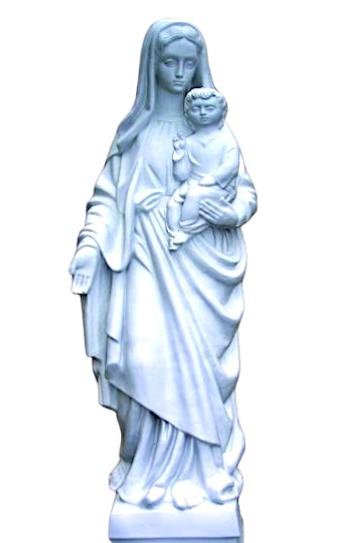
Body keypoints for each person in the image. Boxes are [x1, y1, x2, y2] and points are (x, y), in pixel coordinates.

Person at [69, 19, 257, 510]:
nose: (178, 72)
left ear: (200, 66)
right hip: (144, 261)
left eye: (188, 63)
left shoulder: (214, 130)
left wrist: (228, 212)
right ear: (151, 66)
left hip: (199, 267)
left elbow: (244, 192)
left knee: (195, 367)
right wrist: (90, 246)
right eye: (169, 62)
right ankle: (147, 466)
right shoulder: (134, 132)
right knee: (145, 360)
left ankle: (201, 470)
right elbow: (106, 199)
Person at [166, 87, 240, 249]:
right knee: (173, 203)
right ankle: (173, 233)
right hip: (192, 183)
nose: (203, 113)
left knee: (194, 196)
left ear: (221, 112)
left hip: (219, 187)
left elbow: (230, 166)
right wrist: (179, 153)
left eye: (209, 108)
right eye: (196, 109)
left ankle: (186, 232)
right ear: (188, 113)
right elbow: (181, 175)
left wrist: (213, 179)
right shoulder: (189, 142)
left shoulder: (226, 141)